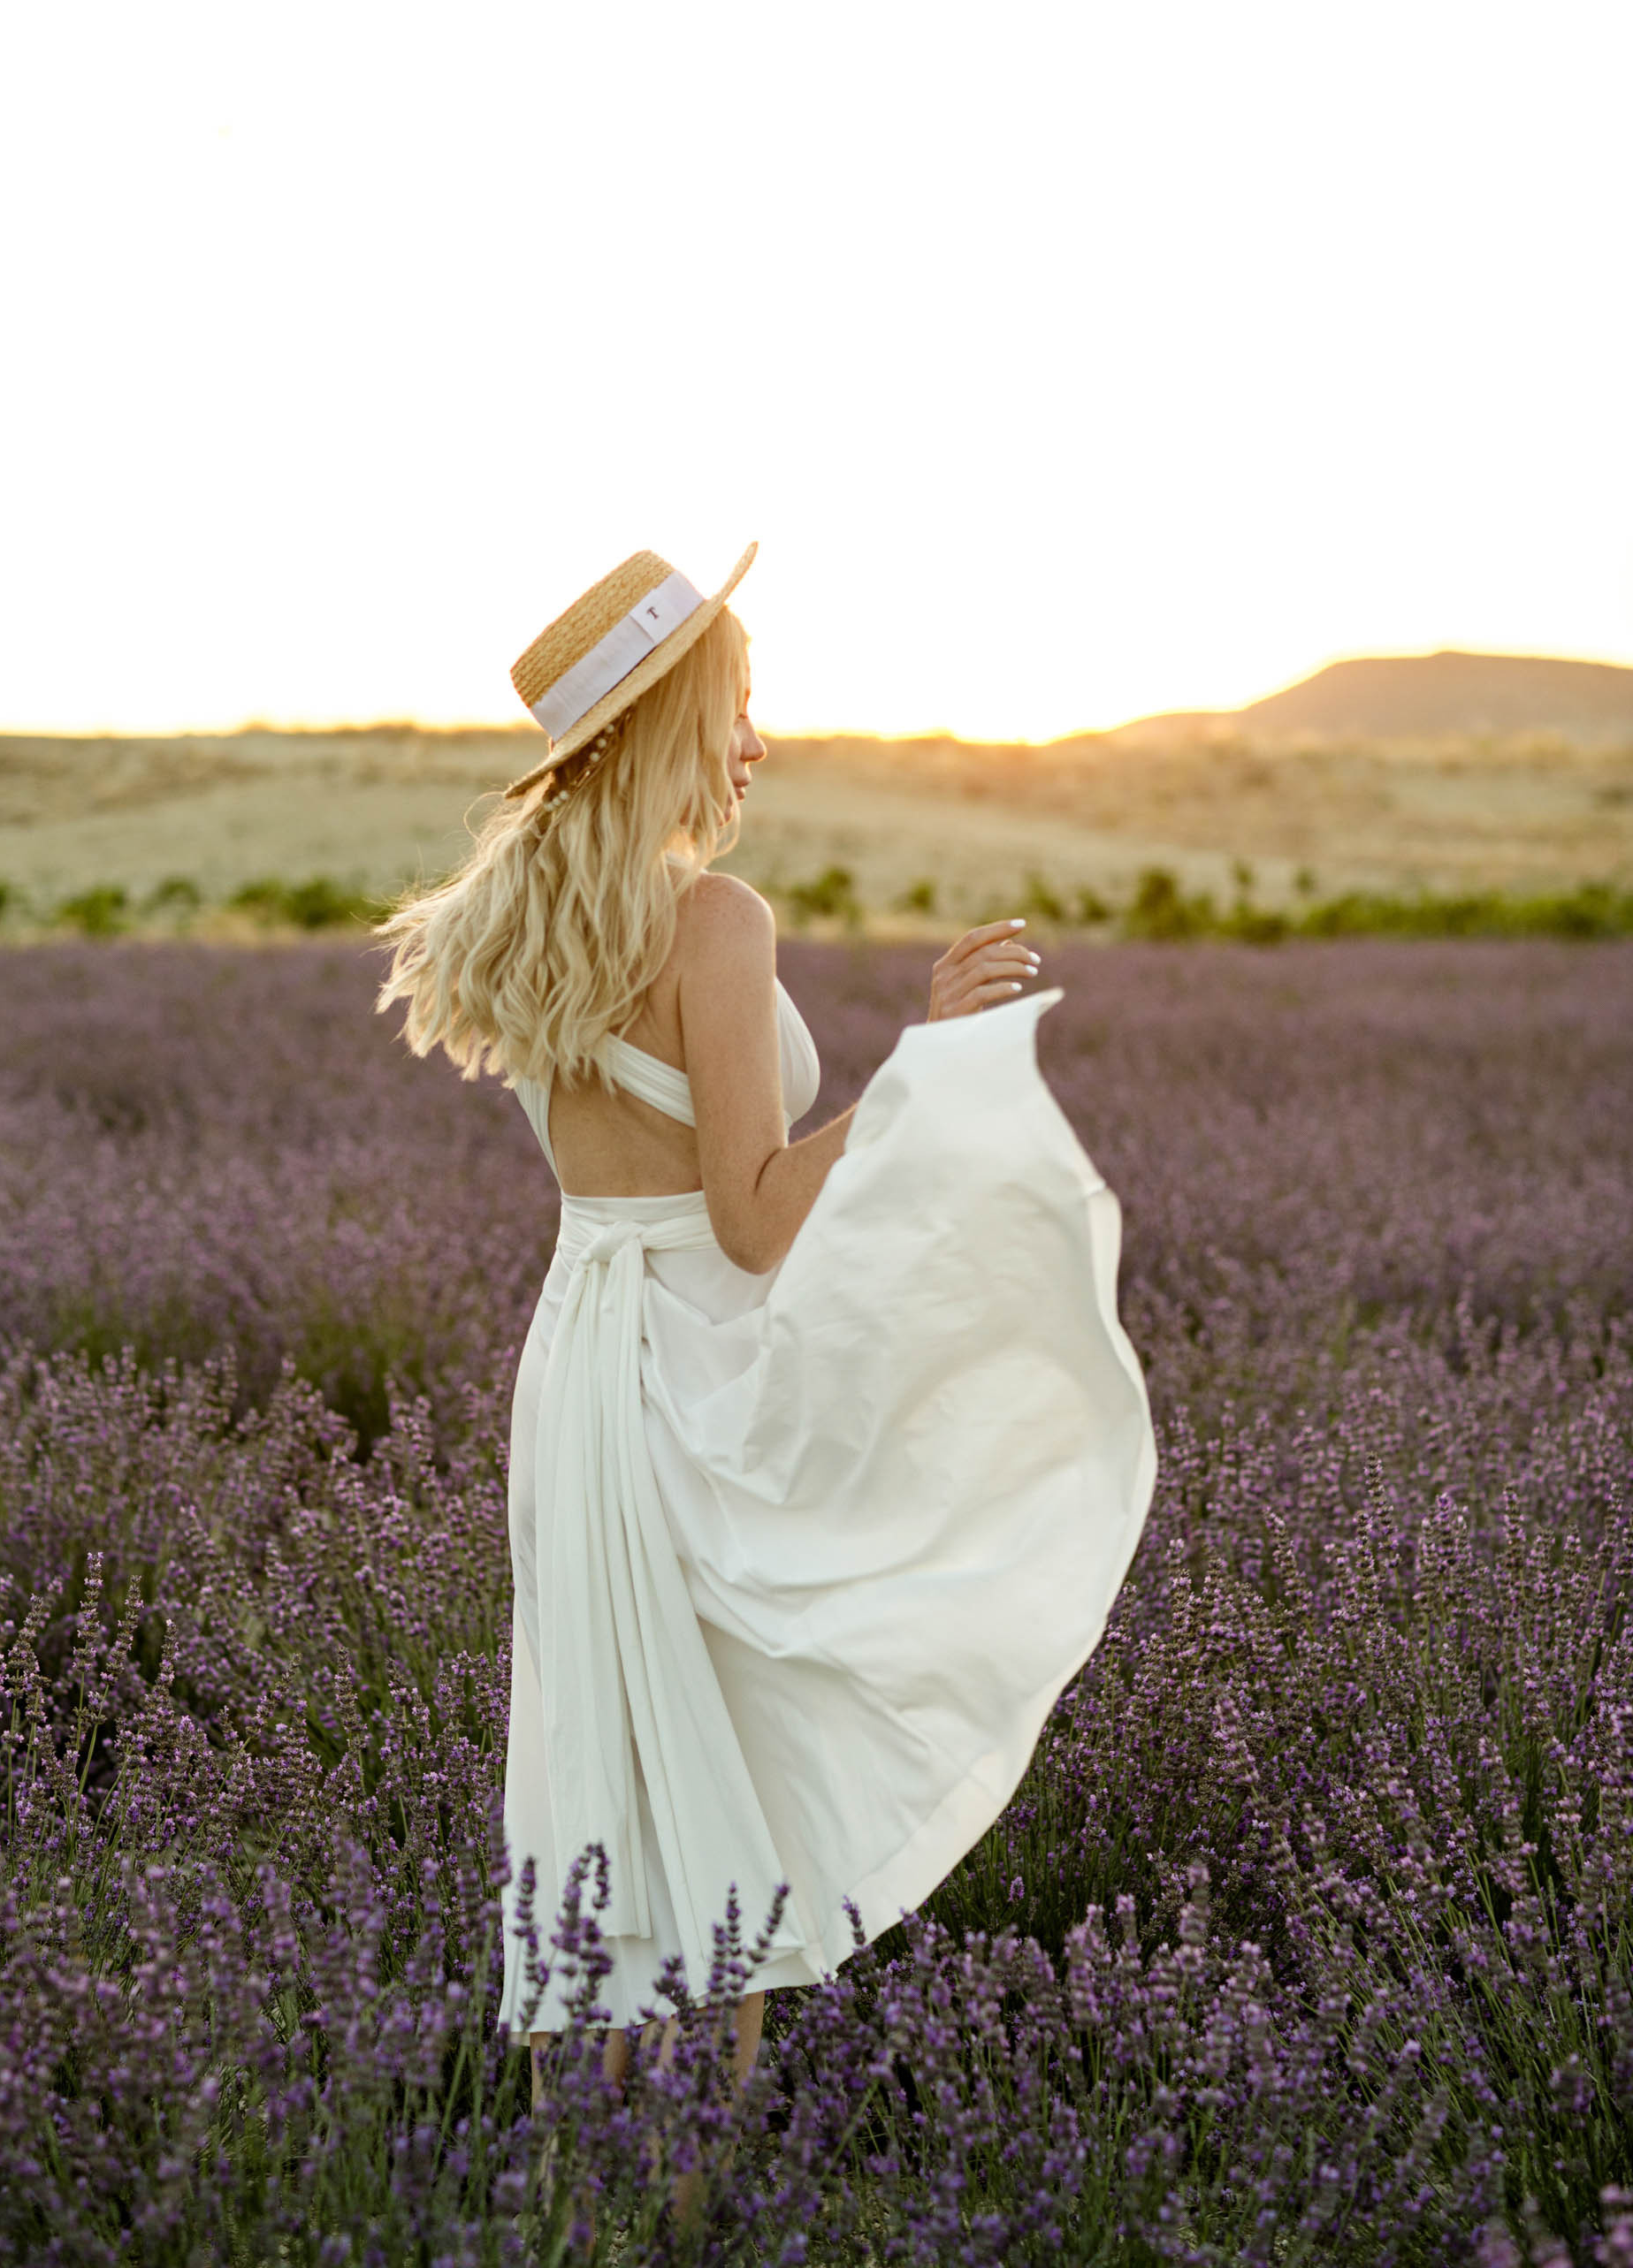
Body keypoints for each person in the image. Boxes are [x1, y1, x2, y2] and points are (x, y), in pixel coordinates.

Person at [377, 542, 1156, 2116]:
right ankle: (683, 2196)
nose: (757, 744)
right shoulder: (713, 918)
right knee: (721, 1788)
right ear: (671, 722)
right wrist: (924, 1066)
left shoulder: (522, 912)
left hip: (579, 1354)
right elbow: (750, 1212)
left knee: (600, 1768)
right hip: (694, 1360)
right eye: (739, 708)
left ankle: (568, 2193)